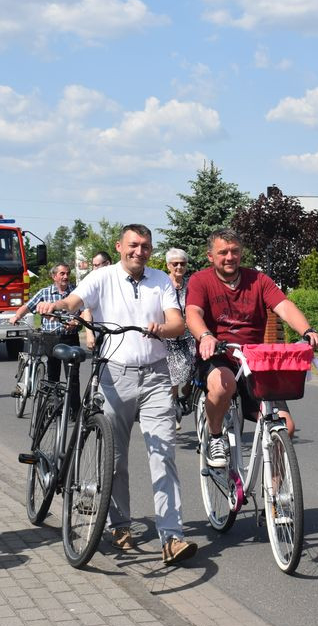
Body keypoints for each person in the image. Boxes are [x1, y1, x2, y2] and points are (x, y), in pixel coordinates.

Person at [36, 225, 198, 565]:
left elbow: (177, 323)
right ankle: (119, 525)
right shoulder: (102, 278)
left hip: (156, 375)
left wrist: (162, 329)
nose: (139, 251)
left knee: (163, 452)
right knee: (116, 456)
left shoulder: (160, 280)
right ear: (119, 246)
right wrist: (57, 305)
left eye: (146, 246)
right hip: (115, 373)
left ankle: (172, 536)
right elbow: (74, 300)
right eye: (133, 245)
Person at [185, 228, 318, 467]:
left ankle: (278, 494)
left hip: (254, 361)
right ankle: (216, 436)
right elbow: (193, 313)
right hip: (219, 355)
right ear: (210, 256)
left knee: (285, 427)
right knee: (223, 384)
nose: (230, 257)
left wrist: (307, 330)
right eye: (223, 252)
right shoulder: (200, 280)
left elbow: (284, 306)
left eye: (235, 251)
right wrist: (206, 336)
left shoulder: (258, 280)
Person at [10, 263, 78, 383]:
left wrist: (75, 321)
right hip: (50, 338)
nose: (65, 276)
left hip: (70, 338)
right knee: (52, 376)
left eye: (68, 273)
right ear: (54, 276)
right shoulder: (44, 292)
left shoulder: (76, 293)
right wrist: (17, 316)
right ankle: (53, 401)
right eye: (62, 273)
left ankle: (72, 402)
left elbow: (85, 311)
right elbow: (27, 306)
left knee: (72, 377)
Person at [164, 248, 195, 430]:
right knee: (173, 375)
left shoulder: (190, 285)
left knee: (193, 370)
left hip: (189, 336)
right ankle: (174, 409)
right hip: (169, 338)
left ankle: (188, 391)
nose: (179, 267)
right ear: (168, 265)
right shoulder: (163, 285)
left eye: (182, 263)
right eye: (175, 264)